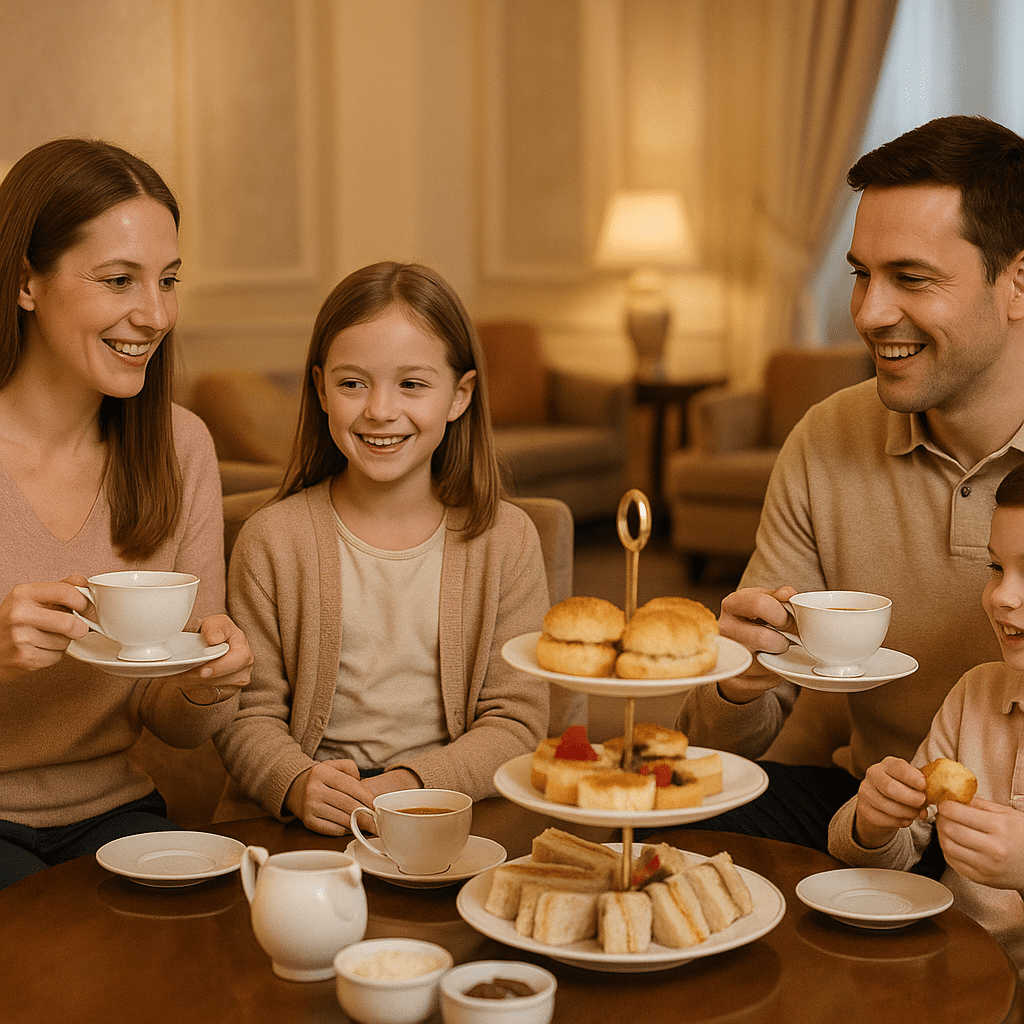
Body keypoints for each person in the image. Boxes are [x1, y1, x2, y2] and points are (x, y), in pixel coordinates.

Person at [676, 115, 1024, 858]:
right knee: (664, 835)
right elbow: (725, 745)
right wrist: (737, 680)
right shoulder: (827, 437)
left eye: (912, 278)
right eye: (862, 274)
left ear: (1018, 281)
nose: (868, 314)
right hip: (871, 810)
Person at [214, 261, 555, 835]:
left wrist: (409, 786)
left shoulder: (508, 540)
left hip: (450, 808)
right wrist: (295, 781)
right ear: (321, 389)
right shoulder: (273, 540)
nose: (379, 410)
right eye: (353, 383)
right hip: (308, 819)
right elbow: (247, 714)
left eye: (412, 384)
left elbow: (516, 722)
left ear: (459, 395)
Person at [0, 138, 253, 886]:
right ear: (25, 282)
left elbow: (171, 721)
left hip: (118, 810)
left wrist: (207, 688)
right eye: (119, 280)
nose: (154, 314)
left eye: (168, 280)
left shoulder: (180, 446)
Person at [829, 463, 1024, 973]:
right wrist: (873, 823)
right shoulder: (977, 694)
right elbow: (899, 856)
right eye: (996, 568)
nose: (1002, 595)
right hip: (942, 965)